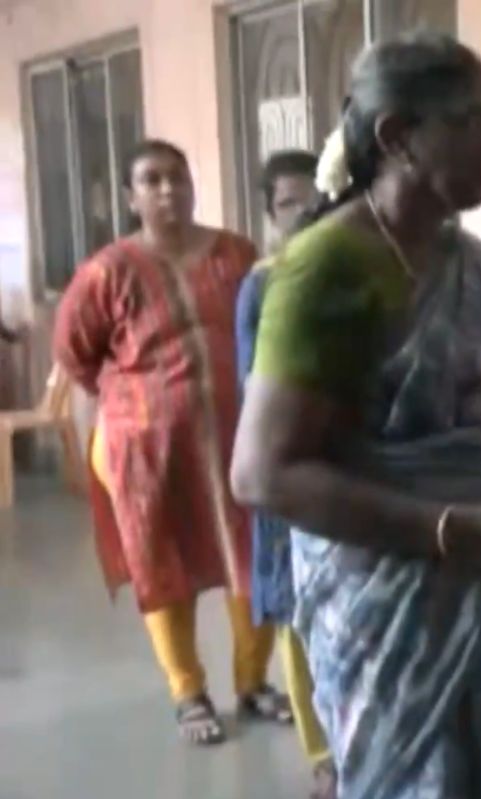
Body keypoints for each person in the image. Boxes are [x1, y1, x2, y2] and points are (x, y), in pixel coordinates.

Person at [229, 34, 481, 799]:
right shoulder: (328, 267)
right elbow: (263, 474)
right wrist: (457, 533)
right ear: (396, 136)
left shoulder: (478, 271)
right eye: (471, 124)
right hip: (396, 610)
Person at [53, 139, 287, 746]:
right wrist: (125, 414)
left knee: (250, 555)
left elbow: (265, 326)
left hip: (239, 440)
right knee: (164, 564)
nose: (167, 191)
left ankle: (253, 682)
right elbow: (75, 355)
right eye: (151, 181)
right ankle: (187, 691)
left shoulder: (235, 254)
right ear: (131, 197)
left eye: (177, 178)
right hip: (146, 454)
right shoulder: (107, 272)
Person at [234, 148, 336, 799]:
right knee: (299, 615)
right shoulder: (263, 285)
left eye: (313, 200)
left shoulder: (346, 270)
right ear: (269, 214)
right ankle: (321, 754)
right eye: (288, 203)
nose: (304, 213)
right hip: (292, 465)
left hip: (348, 466)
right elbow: (258, 387)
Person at [259, 150, 319, 250]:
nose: (301, 212)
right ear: (271, 216)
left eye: (313, 202)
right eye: (288, 204)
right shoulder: (266, 265)